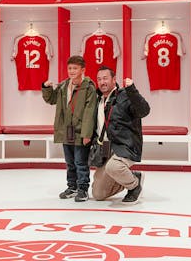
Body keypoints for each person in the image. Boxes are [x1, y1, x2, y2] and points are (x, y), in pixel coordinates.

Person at [91, 66, 150, 204]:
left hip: (125, 145)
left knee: (114, 167)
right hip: (106, 147)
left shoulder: (125, 95)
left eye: (105, 78)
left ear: (113, 79)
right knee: (98, 194)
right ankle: (133, 176)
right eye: (99, 79)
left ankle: (134, 186)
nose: (102, 82)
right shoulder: (98, 99)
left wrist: (132, 90)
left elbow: (144, 110)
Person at [42, 55, 97, 202]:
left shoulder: (89, 88)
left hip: (80, 131)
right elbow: (51, 99)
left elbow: (89, 112)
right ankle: (72, 187)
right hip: (66, 131)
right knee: (70, 162)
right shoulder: (63, 86)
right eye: (70, 68)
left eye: (75, 68)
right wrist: (46, 88)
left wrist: (86, 134)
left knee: (81, 162)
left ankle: (83, 189)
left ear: (82, 70)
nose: (71, 71)